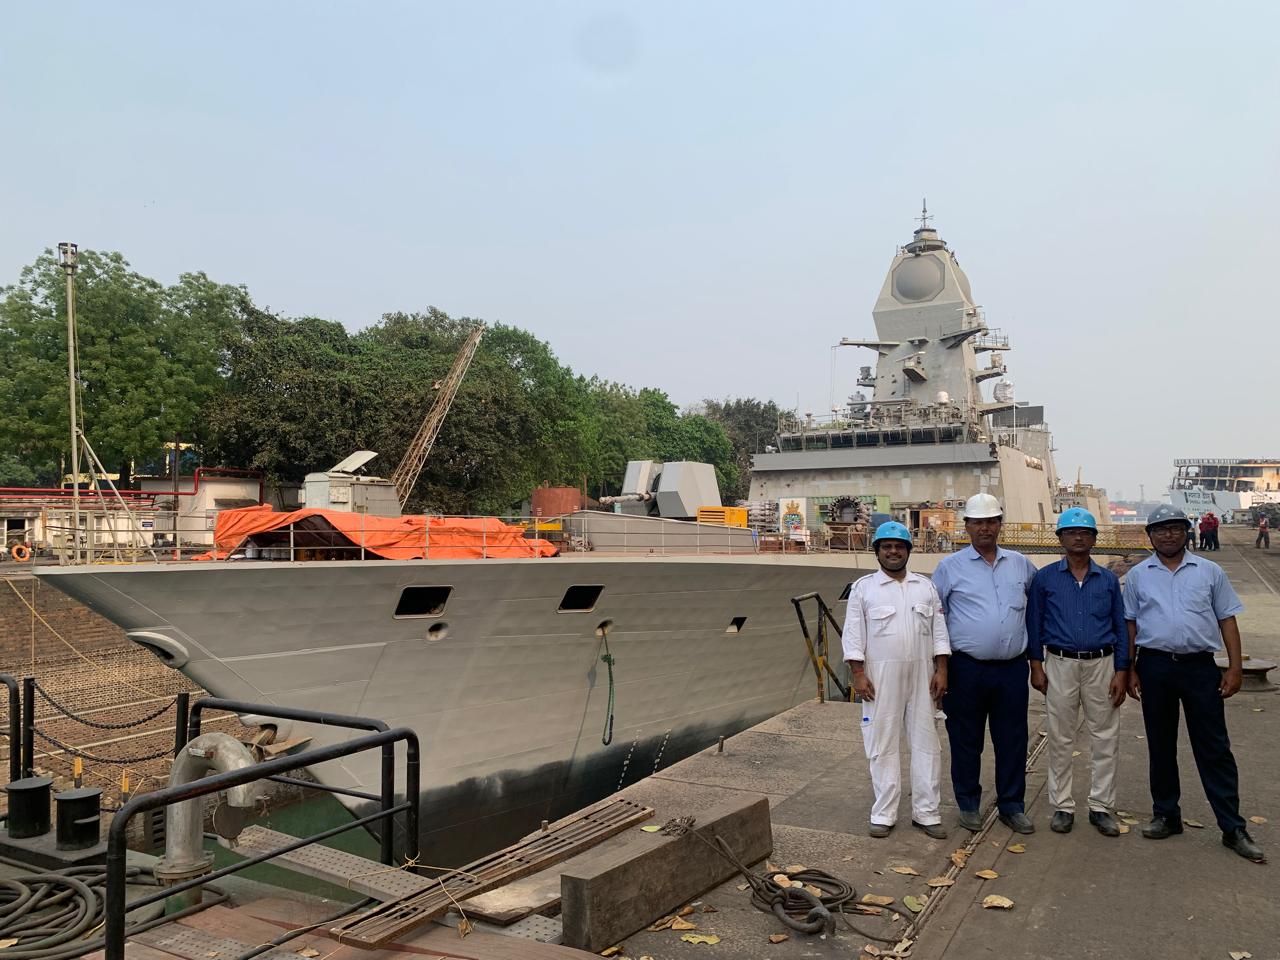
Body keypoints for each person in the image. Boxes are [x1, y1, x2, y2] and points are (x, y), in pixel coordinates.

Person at [1125, 505, 1264, 863]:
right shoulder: (1139, 576)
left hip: (1200, 668)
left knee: (1214, 747)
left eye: (1175, 528)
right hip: (1155, 667)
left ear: (1187, 532)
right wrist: (1130, 669)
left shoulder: (1209, 572)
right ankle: (1166, 815)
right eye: (1160, 530)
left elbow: (1226, 620)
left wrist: (1234, 668)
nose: (1168, 535)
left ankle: (1232, 827)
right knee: (1161, 744)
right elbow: (1131, 625)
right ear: (1150, 536)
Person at [933, 493, 1039, 834]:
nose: (985, 528)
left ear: (999, 525)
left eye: (991, 521)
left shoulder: (1021, 564)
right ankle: (968, 804)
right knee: (965, 739)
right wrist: (942, 667)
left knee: (1012, 739)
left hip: (1011, 669)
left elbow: (1037, 606)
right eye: (978, 522)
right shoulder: (949, 568)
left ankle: (1012, 804)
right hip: (966, 669)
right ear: (967, 526)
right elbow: (936, 620)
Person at [842, 521, 951, 839]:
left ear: (908, 551)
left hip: (922, 675)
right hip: (879, 676)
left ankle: (927, 812)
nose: (893, 551)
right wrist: (858, 674)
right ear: (877, 552)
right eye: (886, 546)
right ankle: (884, 813)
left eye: (899, 546)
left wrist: (941, 669)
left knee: (926, 744)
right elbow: (853, 635)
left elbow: (939, 632)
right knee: (882, 743)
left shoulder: (925, 587)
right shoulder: (864, 589)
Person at [1027, 508, 1127, 836]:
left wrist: (1122, 670)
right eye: (1071, 532)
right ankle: (1062, 806)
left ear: (1094, 539)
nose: (1078, 537)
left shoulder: (1108, 580)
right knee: (1060, 735)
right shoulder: (1045, 579)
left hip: (1102, 663)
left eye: (1085, 532)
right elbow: (1035, 623)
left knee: (1105, 736)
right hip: (1060, 663)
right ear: (1060, 539)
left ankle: (1101, 806)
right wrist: (1036, 665)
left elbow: (1121, 627)